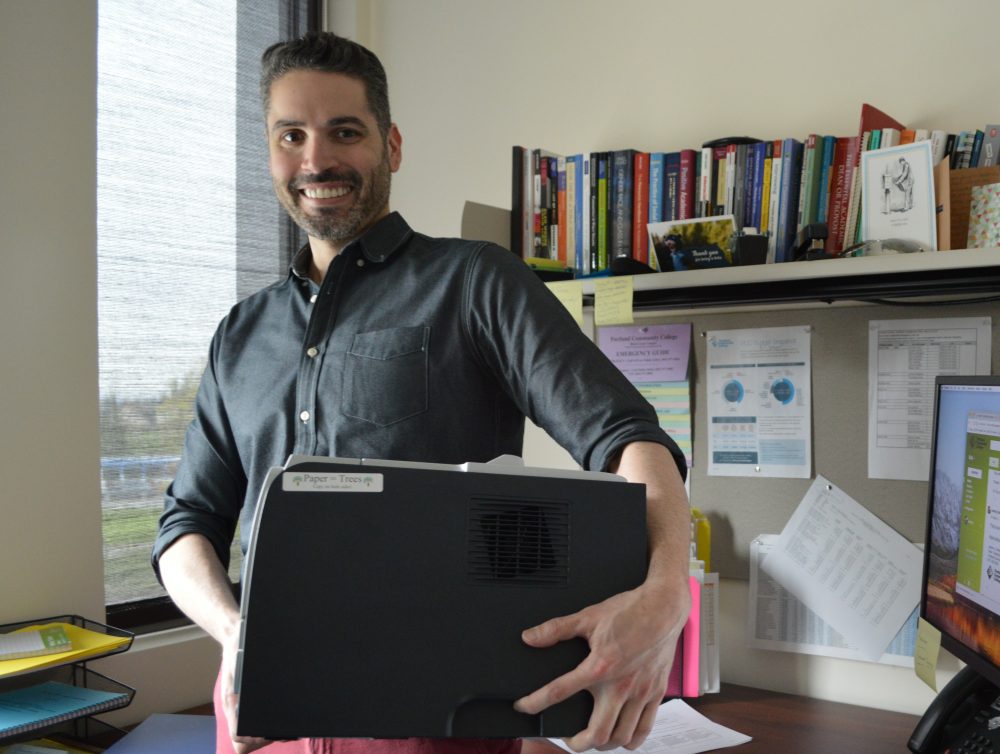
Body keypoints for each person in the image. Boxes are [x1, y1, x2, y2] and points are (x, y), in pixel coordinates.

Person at [153, 30, 691, 754]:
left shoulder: (476, 281)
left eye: (345, 131)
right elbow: (187, 522)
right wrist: (237, 634)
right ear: (271, 153)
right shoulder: (238, 335)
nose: (316, 160)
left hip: (432, 723)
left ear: (392, 146)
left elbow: (627, 437)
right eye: (292, 136)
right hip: (260, 724)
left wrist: (664, 598)